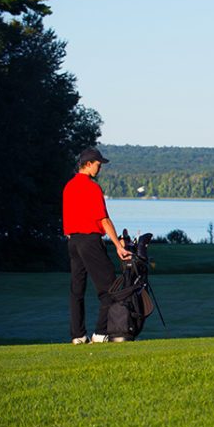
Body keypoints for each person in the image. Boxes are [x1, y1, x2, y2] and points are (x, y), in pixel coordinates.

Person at [62, 147, 131, 344]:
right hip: (90, 240)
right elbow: (103, 219)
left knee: (77, 290)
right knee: (110, 287)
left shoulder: (68, 187)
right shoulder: (91, 188)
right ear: (89, 164)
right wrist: (118, 244)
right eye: (98, 165)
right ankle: (100, 334)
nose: (100, 169)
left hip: (73, 241)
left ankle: (77, 336)